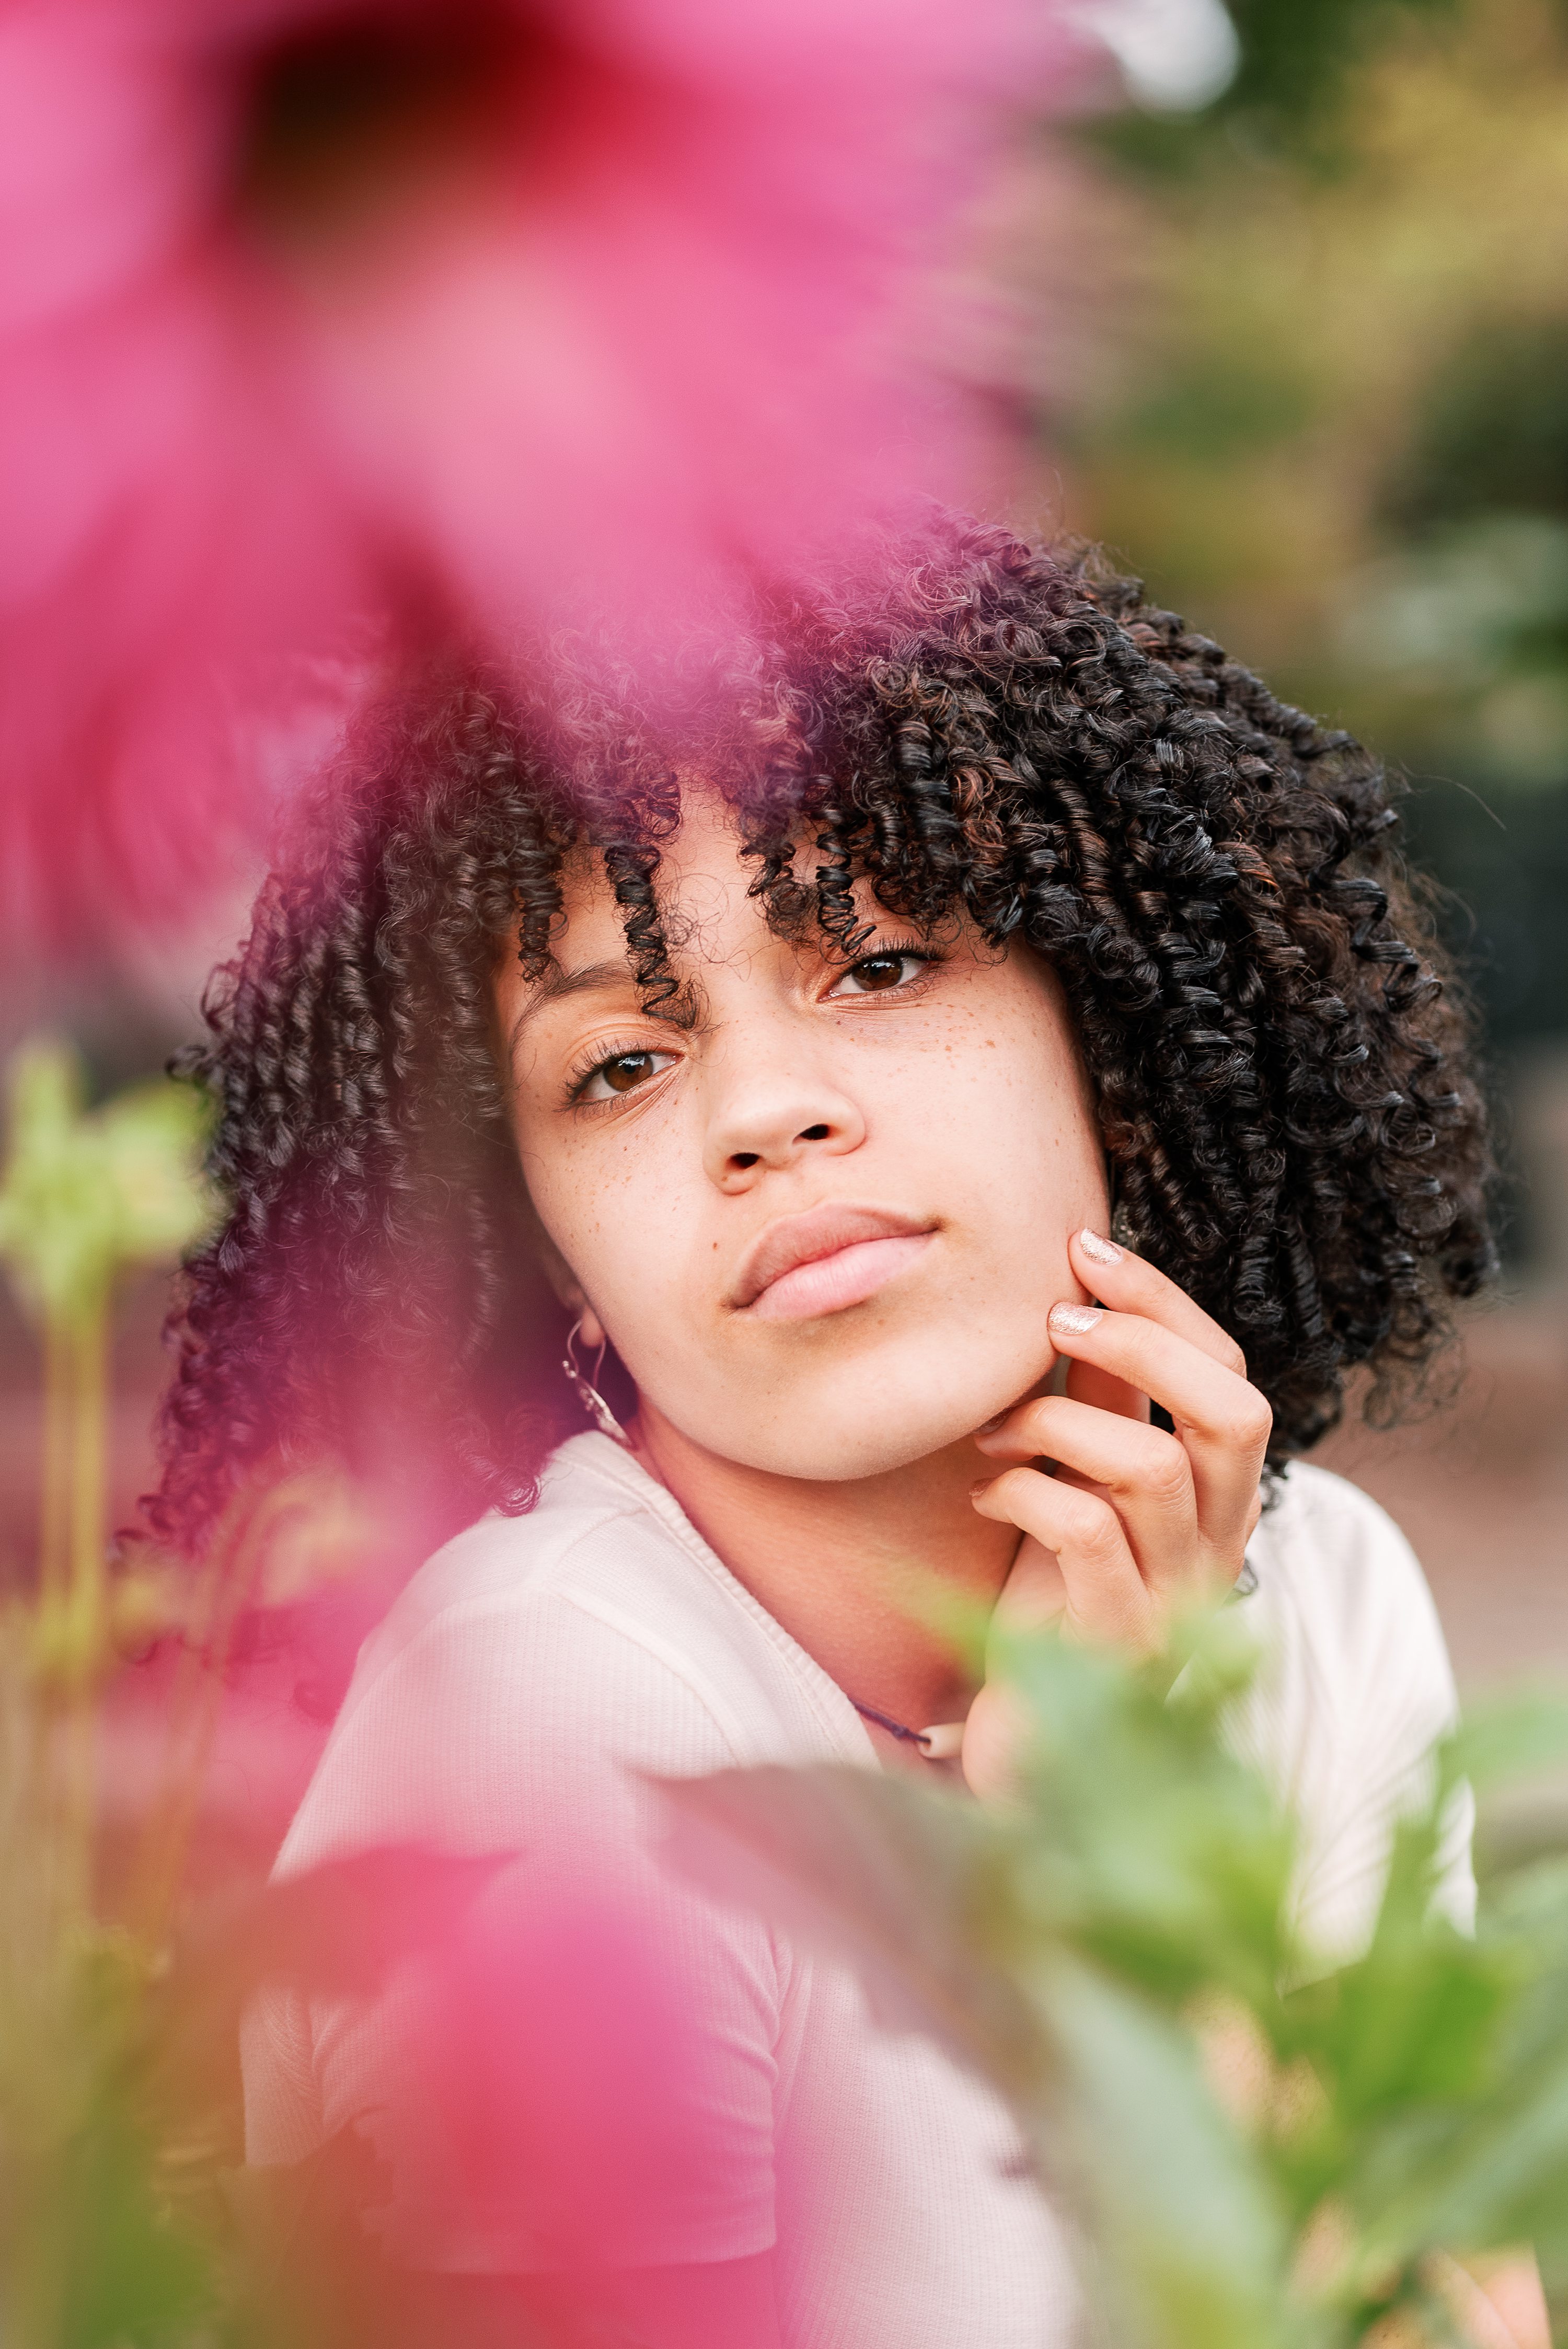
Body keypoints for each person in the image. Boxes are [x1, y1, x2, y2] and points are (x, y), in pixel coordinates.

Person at [153, 518, 1495, 2346]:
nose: (765, 1115)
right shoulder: (566, 1718)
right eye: (622, 1063)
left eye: (877, 964)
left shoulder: (1321, 1591)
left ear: (1114, 1031)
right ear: (537, 1243)